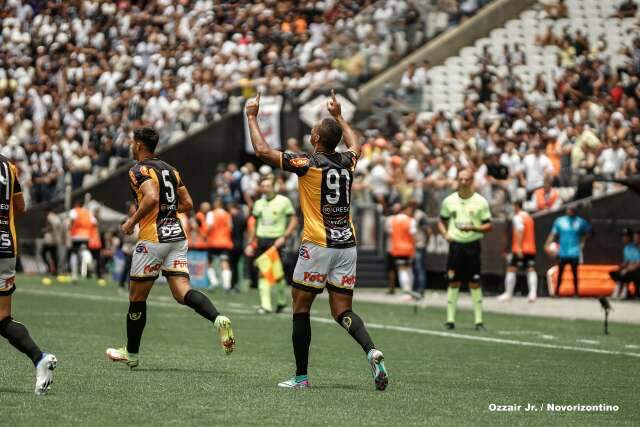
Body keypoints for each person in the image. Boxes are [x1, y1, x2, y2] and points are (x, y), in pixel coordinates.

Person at [246, 91, 388, 390]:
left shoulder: (307, 163)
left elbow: (262, 151)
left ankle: (301, 377)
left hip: (318, 245)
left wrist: (251, 116)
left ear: (316, 138)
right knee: (342, 311)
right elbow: (356, 145)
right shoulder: (348, 162)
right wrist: (339, 117)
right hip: (346, 245)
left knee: (301, 308)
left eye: (313, 131)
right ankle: (371, 350)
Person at [106, 127, 235, 368]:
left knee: (137, 297)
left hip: (153, 238)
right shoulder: (171, 170)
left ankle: (131, 353)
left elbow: (152, 197)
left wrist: (131, 222)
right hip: (176, 235)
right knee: (182, 291)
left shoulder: (138, 170)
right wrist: (167, 211)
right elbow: (187, 203)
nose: (131, 147)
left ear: (139, 145)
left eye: (133, 143)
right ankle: (218, 319)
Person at [0, 154, 57, 395]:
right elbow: (21, 207)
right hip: (6, 246)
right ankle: (39, 358)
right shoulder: (8, 165)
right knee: (2, 318)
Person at [438, 168, 493, 331]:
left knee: (474, 282)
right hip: (455, 245)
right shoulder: (449, 201)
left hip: (473, 245)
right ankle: (450, 319)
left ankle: (478, 321)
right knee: (453, 281)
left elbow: (489, 225)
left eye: (466, 179)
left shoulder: (480, 202)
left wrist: (474, 228)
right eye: (460, 179)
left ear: (472, 181)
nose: (463, 182)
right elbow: (441, 221)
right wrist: (445, 233)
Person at [246, 177, 297, 314]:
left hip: (277, 241)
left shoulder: (284, 201)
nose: (265, 188)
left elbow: (293, 220)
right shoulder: (258, 204)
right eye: (263, 186)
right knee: (263, 272)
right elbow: (254, 225)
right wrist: (251, 243)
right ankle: (266, 306)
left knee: (277, 274)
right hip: (262, 241)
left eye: (268, 185)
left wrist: (284, 237)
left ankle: (281, 301)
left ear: (274, 186)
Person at [545, 206, 591, 297]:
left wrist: (582, 242)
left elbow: (588, 232)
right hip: (563, 251)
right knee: (561, 272)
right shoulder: (560, 221)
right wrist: (547, 244)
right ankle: (557, 291)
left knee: (574, 272)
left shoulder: (580, 222)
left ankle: (576, 292)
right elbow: (553, 234)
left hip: (574, 251)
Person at [498, 201, 538, 302]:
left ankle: (508, 294)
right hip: (531, 248)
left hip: (520, 248)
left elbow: (520, 231)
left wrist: (519, 247)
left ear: (516, 206)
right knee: (531, 269)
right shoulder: (529, 217)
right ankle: (532, 294)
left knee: (511, 269)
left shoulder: (517, 217)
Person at [385, 204, 417, 295]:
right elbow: (413, 235)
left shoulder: (392, 219)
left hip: (396, 248)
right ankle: (408, 290)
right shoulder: (411, 220)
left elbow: (389, 232)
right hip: (408, 249)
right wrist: (414, 249)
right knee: (408, 269)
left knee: (402, 270)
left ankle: (407, 291)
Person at [206, 199, 234, 291]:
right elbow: (230, 228)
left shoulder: (211, 214)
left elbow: (208, 227)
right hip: (225, 242)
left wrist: (205, 234)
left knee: (209, 263)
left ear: (216, 204)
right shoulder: (227, 215)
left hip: (213, 242)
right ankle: (227, 286)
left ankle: (214, 282)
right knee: (225, 263)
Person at [68, 199, 96, 280]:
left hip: (76, 235)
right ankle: (89, 260)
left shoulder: (74, 211)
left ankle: (74, 274)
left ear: (76, 204)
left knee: (74, 253)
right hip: (86, 236)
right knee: (84, 250)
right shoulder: (88, 212)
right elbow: (94, 222)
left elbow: (71, 220)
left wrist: (69, 228)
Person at [609, 229, 640, 299]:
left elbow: (637, 263)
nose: (624, 238)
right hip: (632, 267)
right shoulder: (627, 248)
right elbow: (628, 261)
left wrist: (627, 269)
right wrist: (622, 267)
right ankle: (619, 291)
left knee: (627, 274)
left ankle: (626, 292)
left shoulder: (635, 248)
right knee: (616, 273)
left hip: (636, 269)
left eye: (626, 236)